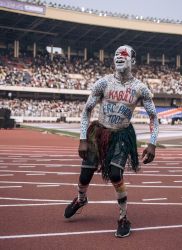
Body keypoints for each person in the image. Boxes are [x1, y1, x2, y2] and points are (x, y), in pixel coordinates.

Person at [64, 45, 159, 238]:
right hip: (98, 132)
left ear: (133, 61)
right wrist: (82, 138)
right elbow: (86, 111)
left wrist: (152, 143)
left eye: (124, 55)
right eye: (116, 54)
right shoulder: (103, 83)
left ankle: (123, 217)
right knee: (84, 176)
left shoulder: (140, 88)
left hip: (121, 134)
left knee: (116, 174)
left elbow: (153, 117)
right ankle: (81, 199)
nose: (119, 57)